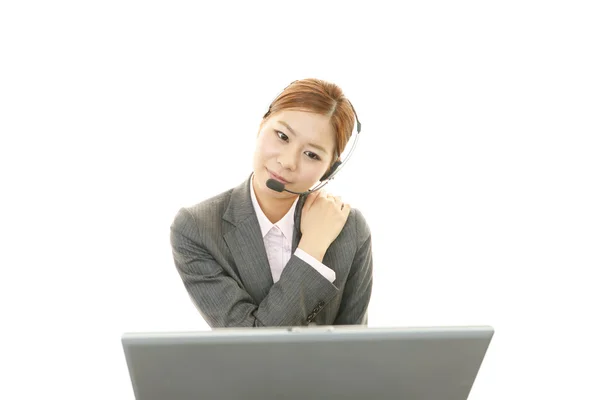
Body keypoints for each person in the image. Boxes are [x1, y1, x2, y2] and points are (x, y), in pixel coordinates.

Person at [170, 78, 373, 328]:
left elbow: (354, 349)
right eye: (282, 136)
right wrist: (312, 249)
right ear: (261, 125)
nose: (288, 162)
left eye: (311, 154)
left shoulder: (350, 229)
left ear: (329, 170)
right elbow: (251, 346)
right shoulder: (197, 229)